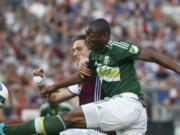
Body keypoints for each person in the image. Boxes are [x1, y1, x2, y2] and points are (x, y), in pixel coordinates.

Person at [0, 18, 179, 135]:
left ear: (105, 36)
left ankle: (6, 131)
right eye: (87, 37)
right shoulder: (94, 57)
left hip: (127, 103)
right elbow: (79, 78)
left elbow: (154, 56)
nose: (89, 40)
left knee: (68, 121)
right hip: (127, 116)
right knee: (67, 128)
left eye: (91, 38)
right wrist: (52, 86)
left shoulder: (119, 48)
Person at [33, 34, 116, 135]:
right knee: (47, 129)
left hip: (103, 131)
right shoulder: (80, 82)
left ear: (91, 50)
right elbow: (54, 99)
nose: (75, 54)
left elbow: (108, 60)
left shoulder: (104, 69)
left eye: (79, 49)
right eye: (73, 50)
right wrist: (40, 83)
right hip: (88, 131)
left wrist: (88, 61)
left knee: (52, 128)